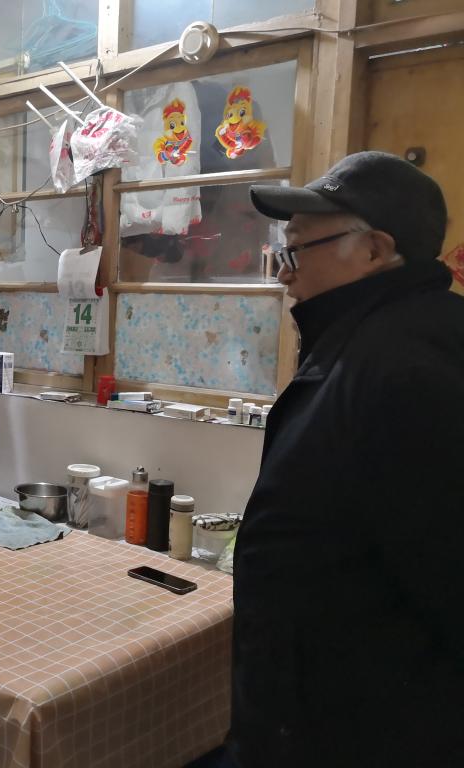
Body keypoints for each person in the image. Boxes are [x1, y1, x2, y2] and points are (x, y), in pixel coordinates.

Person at [229, 151, 464, 767]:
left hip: (364, 730)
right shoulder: (361, 343)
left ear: (375, 250)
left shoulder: (409, 371)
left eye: (296, 252)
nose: (284, 276)